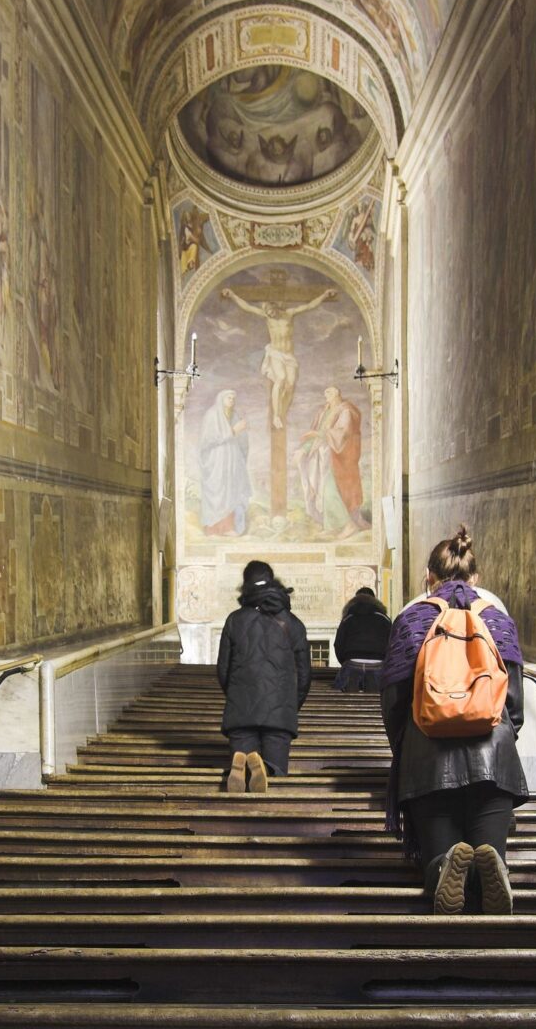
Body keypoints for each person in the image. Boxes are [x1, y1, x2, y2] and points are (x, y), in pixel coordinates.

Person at [379, 526, 528, 915]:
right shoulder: (497, 620)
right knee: (487, 851)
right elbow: (514, 706)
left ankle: (443, 865)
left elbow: (394, 704)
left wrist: (408, 747)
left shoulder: (411, 621)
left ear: (428, 577)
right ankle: (493, 866)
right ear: (475, 577)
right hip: (494, 759)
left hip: (428, 760)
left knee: (438, 860)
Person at [217, 560, 311, 792]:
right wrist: (289, 705)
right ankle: (268, 769)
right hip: (280, 715)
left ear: (245, 585)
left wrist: (236, 695)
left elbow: (223, 670)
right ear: (272, 582)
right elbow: (305, 676)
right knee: (276, 784)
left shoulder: (234, 620)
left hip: (241, 711)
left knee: (240, 783)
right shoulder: (294, 624)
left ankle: (245, 769)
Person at [221, 286, 336, 429]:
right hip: (275, 352)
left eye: (272, 312)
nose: (270, 315)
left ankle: (282, 413)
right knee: (281, 378)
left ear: (276, 309)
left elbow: (309, 306)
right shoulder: (266, 317)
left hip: (289, 355)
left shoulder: (289, 314)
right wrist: (232, 295)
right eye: (268, 313)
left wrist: (324, 295)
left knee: (291, 384)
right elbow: (247, 307)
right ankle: (276, 416)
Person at [295, 385, 369, 538]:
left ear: (337, 394)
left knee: (329, 489)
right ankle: (332, 526)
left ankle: (348, 525)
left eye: (329, 392)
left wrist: (317, 434)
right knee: (323, 489)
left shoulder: (346, 411)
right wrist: (304, 449)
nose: (326, 395)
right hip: (323, 456)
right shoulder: (323, 412)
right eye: (325, 393)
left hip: (339, 457)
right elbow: (315, 436)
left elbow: (343, 434)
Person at [198, 390, 250, 536]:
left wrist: (241, 433)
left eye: (234, 398)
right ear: (221, 399)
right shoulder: (212, 415)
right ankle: (213, 528)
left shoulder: (234, 416)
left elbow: (242, 439)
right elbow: (208, 440)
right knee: (218, 490)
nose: (232, 400)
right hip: (217, 460)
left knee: (231, 491)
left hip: (232, 461)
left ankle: (228, 527)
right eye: (229, 397)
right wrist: (233, 431)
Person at [333, 586, 391, 693]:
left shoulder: (348, 618)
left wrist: (345, 661)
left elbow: (338, 644)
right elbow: (392, 643)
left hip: (352, 662)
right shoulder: (384, 619)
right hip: (378, 663)